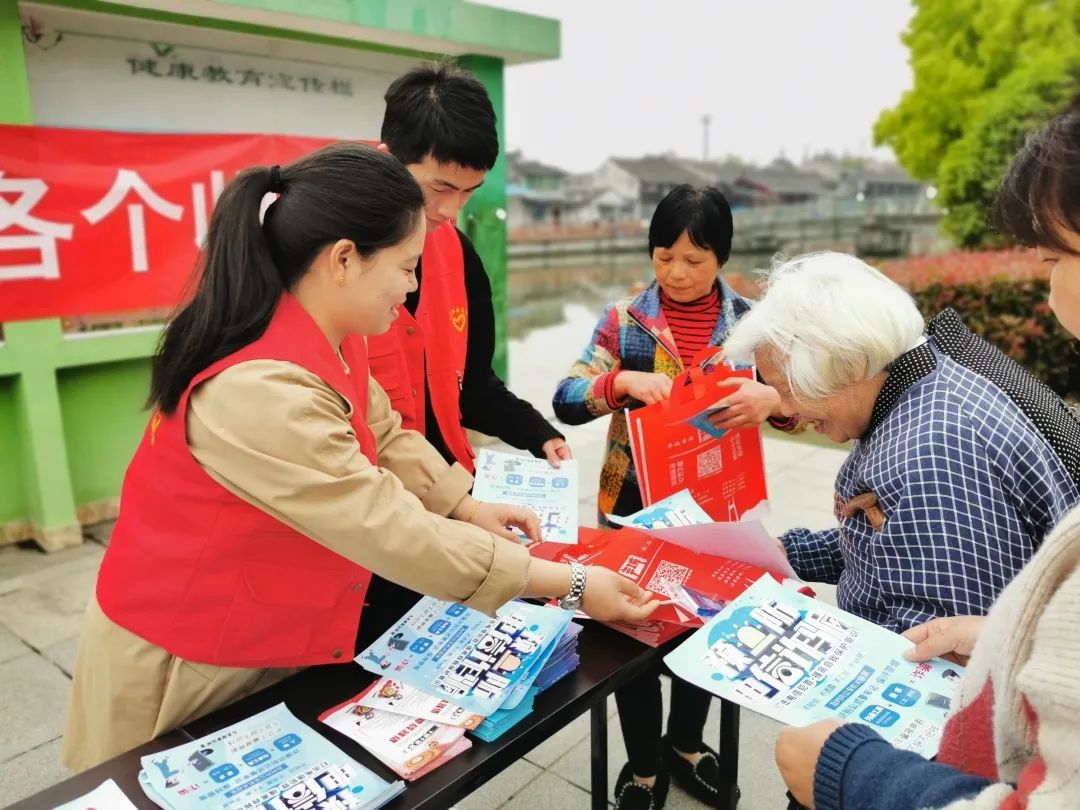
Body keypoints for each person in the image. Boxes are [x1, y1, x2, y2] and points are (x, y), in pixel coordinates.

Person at [60, 143, 657, 773]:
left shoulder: (325, 335)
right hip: (186, 656)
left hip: (258, 624)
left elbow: (386, 432)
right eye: (405, 266)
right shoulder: (261, 389)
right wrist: (574, 584)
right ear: (344, 259)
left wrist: (465, 503)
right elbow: (388, 527)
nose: (413, 286)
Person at [774, 95, 1080, 810]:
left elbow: (929, 665)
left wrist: (847, 770)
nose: (783, 405)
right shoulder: (922, 397)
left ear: (844, 364)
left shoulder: (931, 448)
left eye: (1054, 256)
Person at [555, 185, 788, 809]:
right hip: (630, 502)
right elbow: (566, 397)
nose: (677, 274)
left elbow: (796, 404)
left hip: (717, 506)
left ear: (722, 258)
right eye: (664, 257)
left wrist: (772, 402)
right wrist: (618, 381)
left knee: (704, 623)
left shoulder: (750, 324)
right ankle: (644, 760)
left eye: (695, 260)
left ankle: (686, 742)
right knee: (632, 625)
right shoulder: (623, 318)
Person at [723, 251, 1080, 634]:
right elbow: (896, 547)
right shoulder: (925, 382)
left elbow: (940, 652)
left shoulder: (933, 452)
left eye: (786, 389)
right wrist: (791, 553)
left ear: (849, 363)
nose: (788, 411)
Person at [367, 62, 569, 473]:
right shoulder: (328, 253)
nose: (450, 211)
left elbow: (471, 386)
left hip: (451, 489)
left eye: (468, 193)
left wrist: (537, 431)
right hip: (369, 498)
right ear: (388, 160)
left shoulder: (458, 253)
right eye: (438, 188)